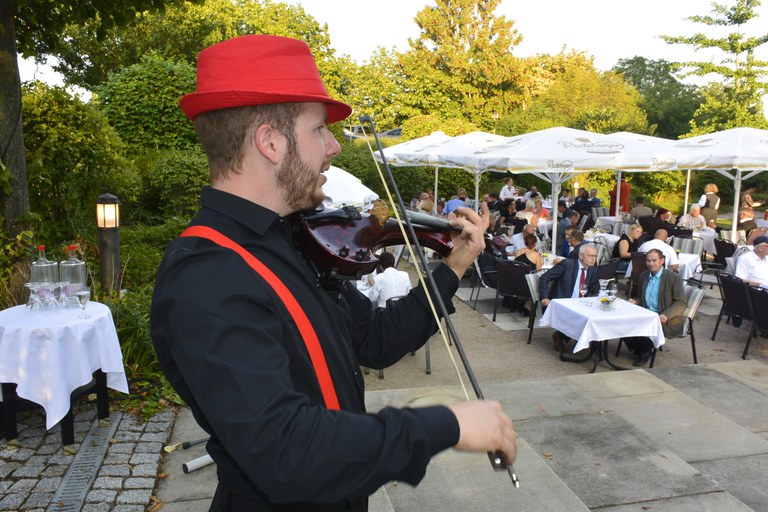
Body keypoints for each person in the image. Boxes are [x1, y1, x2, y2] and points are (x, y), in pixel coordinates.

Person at [150, 34, 516, 512]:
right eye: (320, 129)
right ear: (270, 142)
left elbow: (374, 339)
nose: (335, 145)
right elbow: (287, 451)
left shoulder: (295, 241)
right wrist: (443, 425)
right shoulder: (206, 275)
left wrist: (455, 264)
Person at [622, 249, 687, 367]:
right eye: (648, 261)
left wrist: (667, 315)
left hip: (662, 314)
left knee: (641, 325)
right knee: (622, 321)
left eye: (654, 260)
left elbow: (681, 302)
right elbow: (641, 297)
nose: (651, 263)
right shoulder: (644, 276)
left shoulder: (673, 277)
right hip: (646, 312)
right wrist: (635, 301)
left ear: (662, 261)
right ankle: (641, 348)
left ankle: (644, 351)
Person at [539, 244, 600, 351]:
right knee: (578, 316)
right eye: (590, 256)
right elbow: (544, 277)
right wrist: (544, 297)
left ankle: (590, 343)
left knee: (596, 315)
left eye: (595, 256)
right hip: (563, 303)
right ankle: (561, 336)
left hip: (582, 304)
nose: (593, 259)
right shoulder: (567, 264)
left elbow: (594, 290)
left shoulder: (593, 270)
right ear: (581, 256)